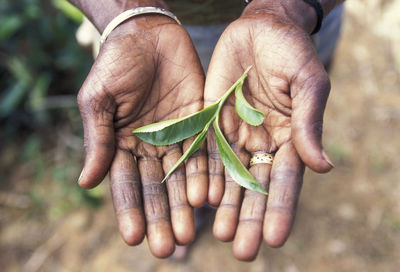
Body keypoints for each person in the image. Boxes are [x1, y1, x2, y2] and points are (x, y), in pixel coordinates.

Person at [69, 0, 344, 261]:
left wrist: (288, 11)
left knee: (295, 93)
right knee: (189, 148)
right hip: (167, 21)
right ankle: (196, 206)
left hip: (305, 13)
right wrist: (127, 16)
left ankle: (201, 202)